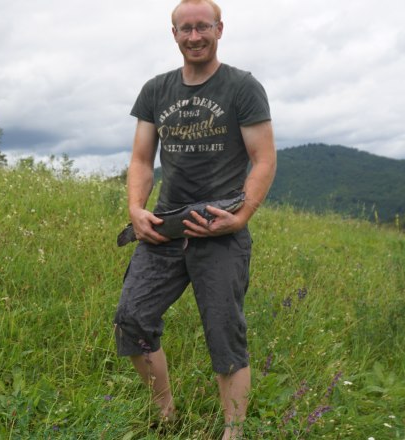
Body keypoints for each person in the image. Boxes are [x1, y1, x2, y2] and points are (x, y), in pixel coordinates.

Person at [112, 0, 277, 438]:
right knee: (132, 318)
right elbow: (142, 159)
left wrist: (240, 218)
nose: (194, 36)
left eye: (203, 27)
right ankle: (165, 413)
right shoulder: (156, 90)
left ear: (220, 29)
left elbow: (263, 159)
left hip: (220, 227)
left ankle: (232, 433)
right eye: (185, 29)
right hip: (165, 226)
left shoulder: (241, 87)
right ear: (174, 35)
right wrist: (136, 209)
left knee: (225, 335)